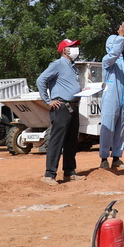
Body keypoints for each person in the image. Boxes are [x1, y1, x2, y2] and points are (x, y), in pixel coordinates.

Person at [37, 38, 86, 185]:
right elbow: (41, 80)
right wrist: (48, 100)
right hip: (61, 107)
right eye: (72, 46)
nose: (76, 48)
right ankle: (49, 175)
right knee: (57, 141)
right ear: (64, 50)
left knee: (71, 140)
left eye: (76, 46)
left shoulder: (72, 66)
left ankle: (69, 172)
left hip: (73, 106)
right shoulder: (58, 64)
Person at [99, 22, 124, 169]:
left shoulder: (122, 65)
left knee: (120, 130)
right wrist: (120, 37)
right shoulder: (107, 60)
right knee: (108, 128)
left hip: (123, 100)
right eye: (116, 43)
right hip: (110, 100)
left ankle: (117, 158)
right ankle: (104, 159)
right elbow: (114, 54)